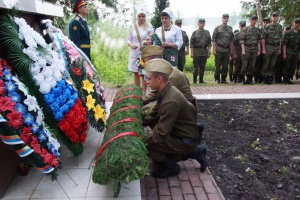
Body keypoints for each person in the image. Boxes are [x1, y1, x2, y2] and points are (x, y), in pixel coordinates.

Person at [144, 58, 207, 178]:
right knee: (152, 141)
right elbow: (154, 114)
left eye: (149, 78)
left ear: (159, 79)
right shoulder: (165, 91)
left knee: (147, 145)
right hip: (181, 134)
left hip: (184, 139)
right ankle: (195, 152)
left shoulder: (171, 99)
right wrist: (137, 120)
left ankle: (171, 167)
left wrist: (139, 141)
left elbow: (160, 134)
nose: (147, 82)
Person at [126, 5, 154, 94]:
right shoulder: (132, 26)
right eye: (139, 16)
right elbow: (128, 39)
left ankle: (144, 93)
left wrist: (147, 45)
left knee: (143, 73)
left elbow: (152, 38)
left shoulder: (149, 26)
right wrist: (131, 45)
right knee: (135, 72)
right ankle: (137, 92)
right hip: (135, 51)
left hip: (145, 52)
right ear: (137, 16)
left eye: (143, 16)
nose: (141, 18)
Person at [261, 13, 283, 84]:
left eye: (276, 16)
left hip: (276, 47)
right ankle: (264, 78)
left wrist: (279, 48)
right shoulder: (267, 26)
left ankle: (269, 77)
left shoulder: (280, 27)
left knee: (272, 64)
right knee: (266, 63)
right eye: (273, 16)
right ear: (272, 18)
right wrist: (263, 49)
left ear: (278, 17)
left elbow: (280, 38)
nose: (275, 18)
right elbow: (263, 38)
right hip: (268, 46)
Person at [212, 13, 234, 84]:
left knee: (225, 66)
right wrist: (214, 50)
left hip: (227, 50)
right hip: (219, 49)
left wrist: (231, 51)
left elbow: (231, 41)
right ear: (222, 19)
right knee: (218, 65)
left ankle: (223, 79)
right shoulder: (217, 28)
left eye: (227, 18)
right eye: (224, 18)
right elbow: (214, 40)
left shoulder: (230, 29)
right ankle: (217, 78)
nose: (225, 19)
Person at [240, 15, 261, 84]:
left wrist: (259, 50)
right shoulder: (245, 29)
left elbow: (259, 41)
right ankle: (242, 78)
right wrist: (243, 50)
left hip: (254, 49)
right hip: (247, 48)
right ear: (250, 20)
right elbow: (242, 40)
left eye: (255, 20)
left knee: (252, 65)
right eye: (253, 20)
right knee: (244, 65)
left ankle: (249, 79)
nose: (254, 21)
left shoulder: (257, 30)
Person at [190, 18, 212, 83]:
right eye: (200, 23)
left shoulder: (207, 33)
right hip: (196, 51)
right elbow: (191, 44)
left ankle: (201, 80)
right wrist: (192, 53)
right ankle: (194, 80)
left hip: (204, 51)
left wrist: (208, 52)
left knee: (202, 67)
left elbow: (209, 44)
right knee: (196, 67)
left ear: (204, 24)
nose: (202, 24)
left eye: (203, 23)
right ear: (198, 24)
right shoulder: (195, 33)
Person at [282, 18, 300, 84]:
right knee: (287, 64)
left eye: (298, 23)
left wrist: (299, 54)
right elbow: (284, 44)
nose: (297, 24)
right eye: (296, 23)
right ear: (293, 23)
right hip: (289, 50)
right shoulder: (289, 32)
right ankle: (284, 78)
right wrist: (284, 54)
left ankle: (289, 78)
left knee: (293, 65)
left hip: (296, 51)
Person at [254, 18, 270, 83]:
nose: (265, 23)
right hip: (259, 50)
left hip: (268, 49)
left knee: (266, 64)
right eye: (264, 22)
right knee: (258, 64)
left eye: (267, 22)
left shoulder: (270, 31)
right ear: (262, 23)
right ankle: (257, 78)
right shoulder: (259, 31)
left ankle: (266, 78)